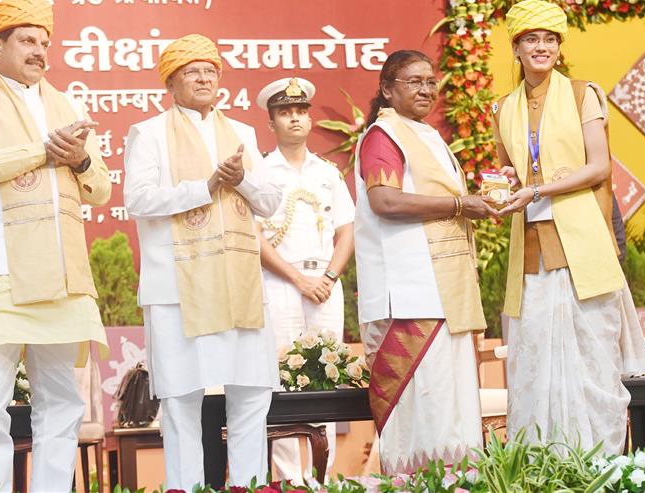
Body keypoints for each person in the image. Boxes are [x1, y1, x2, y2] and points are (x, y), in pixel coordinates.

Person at [0, 0, 110, 492]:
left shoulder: (68, 106)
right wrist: (42, 151)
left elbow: (99, 188)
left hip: (60, 273)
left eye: (44, 42)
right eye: (27, 41)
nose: (40, 51)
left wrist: (78, 160)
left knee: (62, 401)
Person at [123, 34, 282, 491]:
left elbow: (270, 202)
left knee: (252, 393)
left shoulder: (244, 135)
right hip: (177, 287)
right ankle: (184, 487)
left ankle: (249, 485)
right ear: (171, 82)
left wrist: (243, 181)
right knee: (181, 398)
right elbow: (137, 198)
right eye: (192, 71)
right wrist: (206, 184)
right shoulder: (149, 132)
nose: (203, 77)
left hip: (238, 284)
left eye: (210, 70)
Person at [492, 0, 645, 454]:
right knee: (534, 361)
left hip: (582, 247)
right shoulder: (503, 108)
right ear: (516, 48)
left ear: (559, 47)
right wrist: (506, 184)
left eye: (549, 39)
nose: (541, 47)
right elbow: (512, 173)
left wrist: (539, 191)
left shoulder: (585, 94)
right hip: (531, 249)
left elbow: (599, 166)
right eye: (530, 39)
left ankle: (599, 462)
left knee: (592, 362)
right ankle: (543, 464)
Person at [354, 50, 497, 473]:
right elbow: (384, 201)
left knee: (451, 404)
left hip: (443, 292)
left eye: (430, 81)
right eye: (413, 81)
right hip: (409, 295)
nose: (425, 89)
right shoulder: (384, 135)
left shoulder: (427, 135)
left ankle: (457, 481)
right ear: (387, 89)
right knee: (424, 407)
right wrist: (457, 204)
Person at [255, 77, 355, 483]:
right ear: (272, 122)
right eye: (285, 112)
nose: (295, 119)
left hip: (326, 284)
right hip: (281, 282)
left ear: (309, 119)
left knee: (327, 379)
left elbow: (346, 230)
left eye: (301, 111)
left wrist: (329, 275)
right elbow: (255, 236)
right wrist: (299, 280)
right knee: (282, 380)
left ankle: (322, 479)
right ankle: (288, 482)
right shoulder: (260, 170)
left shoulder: (327, 172)